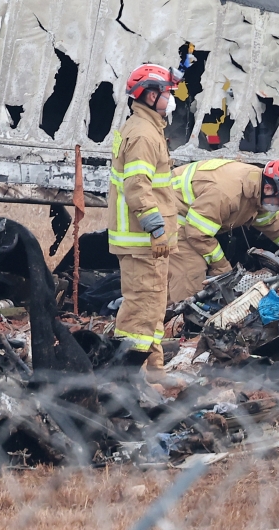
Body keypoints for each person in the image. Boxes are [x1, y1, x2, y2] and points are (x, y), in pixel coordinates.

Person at [107, 63, 181, 381]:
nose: (171, 99)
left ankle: (154, 373)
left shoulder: (145, 128)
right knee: (140, 311)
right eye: (166, 93)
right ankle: (124, 381)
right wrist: (156, 227)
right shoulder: (143, 134)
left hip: (146, 242)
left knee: (152, 309)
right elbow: (137, 186)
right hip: (143, 239)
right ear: (150, 96)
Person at [166, 159, 279, 304]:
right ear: (269, 189)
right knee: (191, 274)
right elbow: (197, 232)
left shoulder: (258, 188)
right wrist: (223, 270)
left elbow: (275, 223)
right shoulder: (227, 193)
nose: (277, 208)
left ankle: (162, 314)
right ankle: (180, 321)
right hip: (172, 215)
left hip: (194, 218)